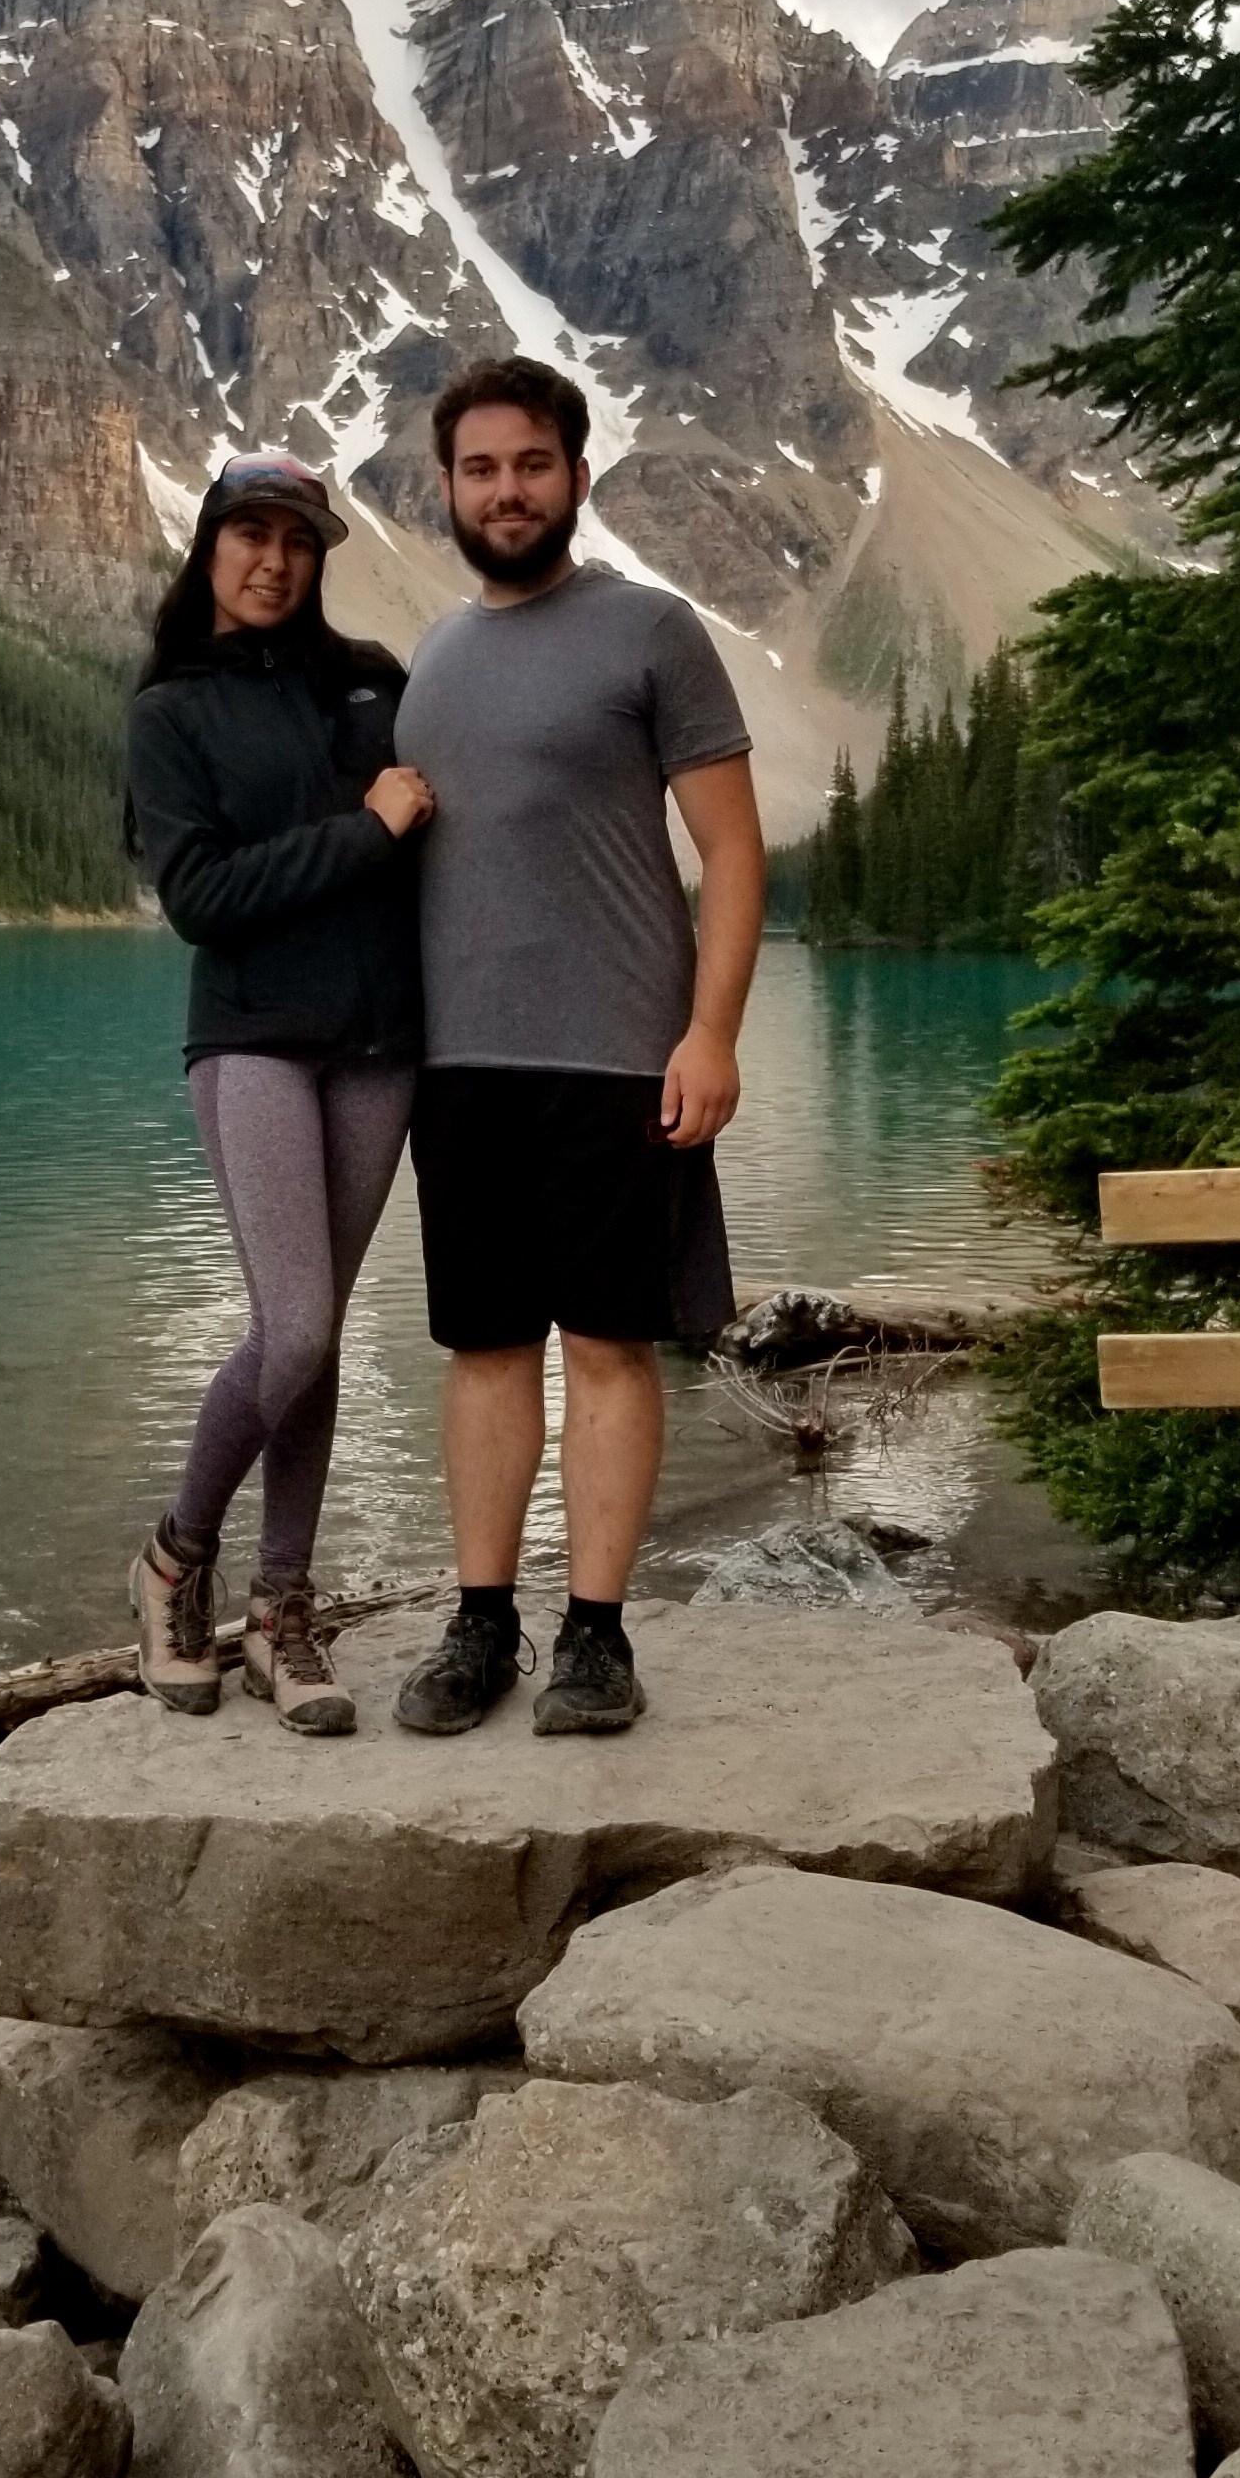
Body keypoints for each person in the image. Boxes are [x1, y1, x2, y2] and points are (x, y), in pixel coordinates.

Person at [391, 356, 766, 1737]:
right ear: (446, 488)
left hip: (621, 1057)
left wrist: (710, 1033)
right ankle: (481, 1621)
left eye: (530, 465)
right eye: (480, 470)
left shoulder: (652, 633)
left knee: (610, 1347)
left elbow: (732, 852)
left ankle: (595, 1634)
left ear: (575, 476)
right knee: (485, 1348)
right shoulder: (432, 654)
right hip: (462, 1065)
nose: (506, 491)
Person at [124, 450, 433, 1733]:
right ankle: (172, 1559)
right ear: (209, 549)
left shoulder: (369, 686)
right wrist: (366, 832)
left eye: (297, 541)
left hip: (377, 1045)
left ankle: (281, 1616)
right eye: (249, 535)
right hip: (249, 1039)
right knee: (294, 1328)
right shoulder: (171, 714)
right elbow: (199, 899)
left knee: (322, 1337)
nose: (273, 560)